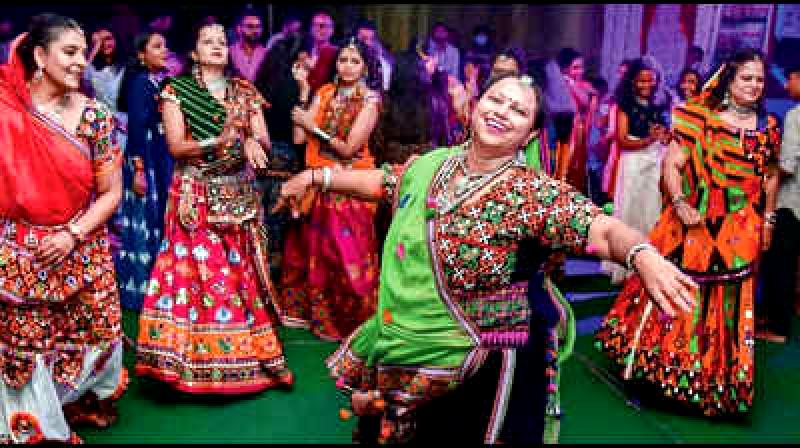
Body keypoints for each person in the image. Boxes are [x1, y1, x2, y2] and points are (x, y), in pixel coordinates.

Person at [275, 73, 696, 443]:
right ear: (475, 107)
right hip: (411, 346)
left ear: (529, 135)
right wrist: (318, 176)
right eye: (496, 100)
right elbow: (385, 181)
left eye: (518, 110)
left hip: (489, 365)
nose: (502, 112)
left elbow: (598, 228)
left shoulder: (530, 192)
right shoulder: (433, 165)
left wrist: (641, 254)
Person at [596, 49, 781, 417]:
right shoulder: (699, 118)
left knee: (726, 303)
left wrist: (769, 219)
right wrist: (679, 203)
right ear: (728, 79)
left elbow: (771, 174)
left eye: (759, 79)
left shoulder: (768, 126)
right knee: (681, 294)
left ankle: (714, 385)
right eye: (746, 78)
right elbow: (672, 164)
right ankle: (662, 379)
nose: (754, 86)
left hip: (739, 228)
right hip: (693, 224)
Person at [134, 21, 293, 394]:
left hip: (238, 194)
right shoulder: (178, 91)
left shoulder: (244, 92)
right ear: (194, 52)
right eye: (208, 41)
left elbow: (264, 140)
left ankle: (238, 361)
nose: (217, 46)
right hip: (196, 194)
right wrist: (221, 139)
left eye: (222, 41)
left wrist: (256, 141)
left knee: (237, 274)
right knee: (200, 275)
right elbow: (175, 146)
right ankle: (186, 364)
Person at [0, 13, 127, 442]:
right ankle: (38, 426)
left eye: (81, 53)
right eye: (69, 52)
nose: (79, 62)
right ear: (39, 56)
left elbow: (111, 193)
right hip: (22, 253)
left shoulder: (96, 117)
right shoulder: (6, 115)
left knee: (100, 331)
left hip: (82, 246)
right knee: (27, 347)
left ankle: (78, 401)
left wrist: (72, 234)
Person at [276, 37, 383, 342]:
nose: (347, 66)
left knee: (347, 256)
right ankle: (321, 319)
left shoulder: (370, 102)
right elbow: (298, 137)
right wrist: (304, 92)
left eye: (355, 61)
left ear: (365, 66)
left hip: (351, 186)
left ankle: (355, 323)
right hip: (317, 182)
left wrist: (312, 125)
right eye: (342, 60)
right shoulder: (324, 93)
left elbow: (349, 149)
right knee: (314, 256)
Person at [113, 31, 174, 311]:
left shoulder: (156, 82)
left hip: (157, 158)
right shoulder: (140, 83)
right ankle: (139, 293)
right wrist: (138, 170)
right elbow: (137, 127)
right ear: (142, 55)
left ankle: (155, 288)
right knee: (144, 223)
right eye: (157, 47)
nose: (164, 51)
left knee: (156, 220)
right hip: (144, 159)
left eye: (165, 46)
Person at [601, 58, 670, 284]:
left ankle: (648, 262)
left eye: (651, 80)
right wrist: (650, 139)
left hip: (654, 160)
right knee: (630, 209)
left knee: (651, 209)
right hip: (632, 162)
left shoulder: (659, 105)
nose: (647, 84)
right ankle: (625, 265)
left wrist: (663, 137)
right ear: (633, 81)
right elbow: (622, 140)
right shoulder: (624, 106)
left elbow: (666, 137)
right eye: (642, 80)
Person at [253, 32, 306, 284]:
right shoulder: (294, 87)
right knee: (280, 223)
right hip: (285, 158)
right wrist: (304, 91)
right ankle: (273, 282)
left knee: (259, 219)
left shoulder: (260, 82)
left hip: (261, 157)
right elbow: (298, 136)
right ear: (297, 60)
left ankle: (255, 277)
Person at [759, 63, 800, 343]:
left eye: (791, 79)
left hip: (790, 202)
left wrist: (762, 168)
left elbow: (787, 165)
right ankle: (775, 316)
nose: (786, 86)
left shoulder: (796, 115)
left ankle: (778, 328)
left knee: (780, 264)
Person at [554, 47, 597, 194]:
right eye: (575, 68)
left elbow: (585, 102)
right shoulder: (556, 85)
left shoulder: (585, 86)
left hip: (577, 133)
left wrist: (570, 84)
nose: (580, 71)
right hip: (558, 131)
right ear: (564, 69)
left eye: (581, 67)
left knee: (573, 169)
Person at [229, 8, 267, 83]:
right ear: (239, 29)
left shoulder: (266, 54)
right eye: (250, 26)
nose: (255, 30)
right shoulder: (229, 52)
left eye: (258, 26)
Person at [355, 19, 392, 92]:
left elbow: (388, 66)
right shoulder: (352, 48)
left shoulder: (380, 48)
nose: (368, 43)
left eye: (371, 39)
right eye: (363, 38)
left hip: (379, 90)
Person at [306, 10, 338, 94]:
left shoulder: (336, 53)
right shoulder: (304, 51)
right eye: (318, 26)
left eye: (327, 26)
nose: (322, 29)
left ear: (332, 30)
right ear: (311, 29)